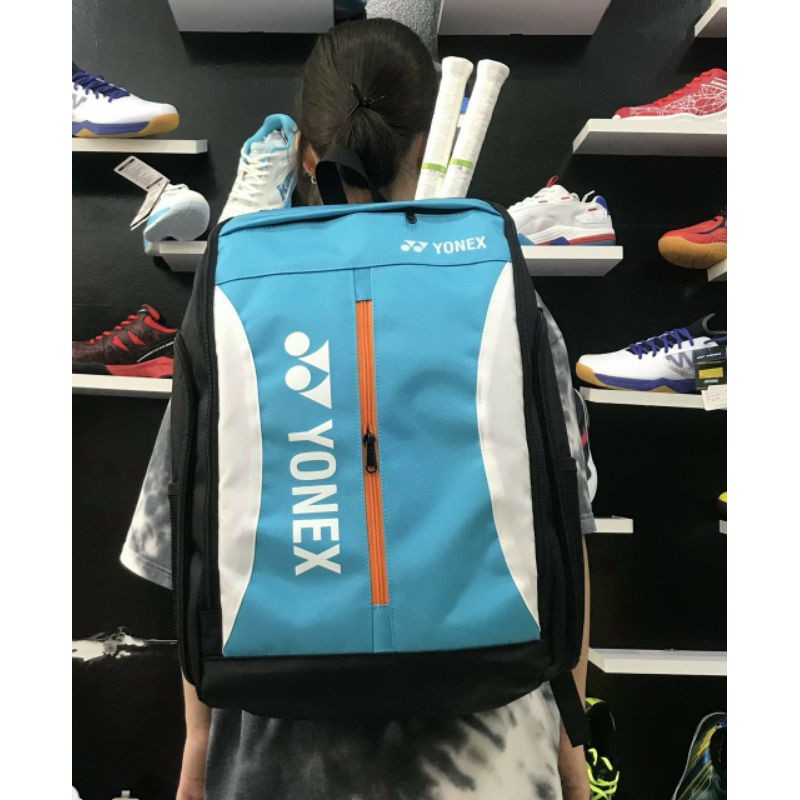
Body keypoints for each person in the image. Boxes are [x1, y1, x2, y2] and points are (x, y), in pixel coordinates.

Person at [121, 18, 594, 800]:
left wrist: (198, 751)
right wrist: (571, 748)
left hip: (274, 746)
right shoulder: (507, 295)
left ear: (306, 157)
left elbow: (193, 539)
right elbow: (563, 536)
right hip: (492, 741)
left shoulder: (239, 289)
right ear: (429, 147)